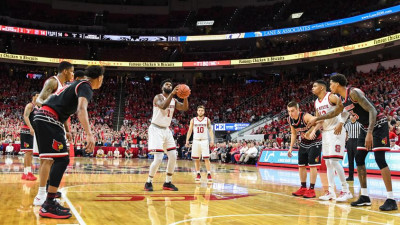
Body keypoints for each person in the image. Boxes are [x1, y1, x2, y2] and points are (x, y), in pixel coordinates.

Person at [308, 73, 397, 211]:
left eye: (331, 84)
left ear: (337, 84)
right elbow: (333, 113)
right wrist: (317, 119)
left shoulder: (353, 93)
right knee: (359, 158)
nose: (330, 86)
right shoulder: (342, 100)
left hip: (378, 124)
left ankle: (391, 199)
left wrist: (369, 133)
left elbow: (373, 110)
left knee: (380, 159)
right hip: (365, 126)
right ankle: (365, 196)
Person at [34, 65, 104, 218]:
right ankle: (48, 204)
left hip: (45, 117)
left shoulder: (72, 84)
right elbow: (81, 109)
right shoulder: (86, 85)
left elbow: (60, 105)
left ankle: (48, 200)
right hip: (49, 118)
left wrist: (66, 129)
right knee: (62, 160)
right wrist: (89, 134)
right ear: (99, 78)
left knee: (57, 159)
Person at [33, 61, 74, 206]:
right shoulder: (53, 81)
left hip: (55, 122)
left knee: (56, 159)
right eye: (72, 71)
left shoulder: (64, 88)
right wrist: (51, 108)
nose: (73, 74)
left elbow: (62, 112)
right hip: (46, 119)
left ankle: (50, 189)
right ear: (65, 72)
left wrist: (67, 130)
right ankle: (41, 195)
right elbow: (39, 100)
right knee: (48, 159)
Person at [144, 79, 189, 191]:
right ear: (162, 87)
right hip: (155, 129)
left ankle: (167, 182)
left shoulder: (173, 100)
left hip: (166, 130)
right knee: (158, 158)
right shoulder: (158, 97)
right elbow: (163, 106)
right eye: (167, 84)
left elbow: (184, 108)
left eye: (170, 84)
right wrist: (173, 94)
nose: (169, 85)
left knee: (173, 156)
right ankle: (148, 182)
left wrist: (186, 96)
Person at [311, 80, 351, 202]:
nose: (312, 88)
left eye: (315, 86)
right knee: (328, 163)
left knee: (333, 161)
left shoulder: (331, 96)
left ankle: (346, 190)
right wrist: (313, 130)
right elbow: (320, 119)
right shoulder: (316, 102)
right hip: (326, 132)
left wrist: (341, 123)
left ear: (322, 88)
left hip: (336, 130)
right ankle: (331, 192)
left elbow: (346, 108)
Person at [287, 101, 322, 198]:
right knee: (301, 165)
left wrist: (311, 131)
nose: (291, 113)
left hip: (315, 141)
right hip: (304, 142)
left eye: (292, 111)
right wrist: (290, 148)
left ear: (298, 110)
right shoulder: (290, 119)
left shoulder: (305, 116)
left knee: (312, 165)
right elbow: (294, 133)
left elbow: (319, 120)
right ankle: (303, 188)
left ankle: (311, 189)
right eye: (289, 111)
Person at [186, 105, 214, 182]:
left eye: (202, 110)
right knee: (197, 159)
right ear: (197, 111)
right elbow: (190, 130)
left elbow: (210, 130)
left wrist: (212, 140)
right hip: (196, 140)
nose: (200, 112)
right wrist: (187, 140)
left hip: (205, 140)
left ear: (204, 112)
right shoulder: (193, 120)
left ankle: (209, 173)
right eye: (199, 110)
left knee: (206, 158)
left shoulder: (207, 120)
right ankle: (198, 173)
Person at [20, 92, 39, 181]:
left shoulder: (37, 107)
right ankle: (29, 173)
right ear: (33, 96)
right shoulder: (30, 105)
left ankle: (25, 173)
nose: (39, 97)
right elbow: (26, 117)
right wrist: (31, 128)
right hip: (27, 129)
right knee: (28, 152)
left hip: (30, 130)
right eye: (37, 95)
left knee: (28, 152)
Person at [344, 115, 362, 181]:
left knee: (358, 160)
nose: (352, 117)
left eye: (354, 116)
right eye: (351, 116)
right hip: (349, 142)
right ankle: (350, 176)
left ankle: (361, 176)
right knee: (350, 160)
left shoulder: (359, 124)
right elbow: (346, 135)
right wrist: (345, 142)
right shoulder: (347, 125)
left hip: (357, 141)